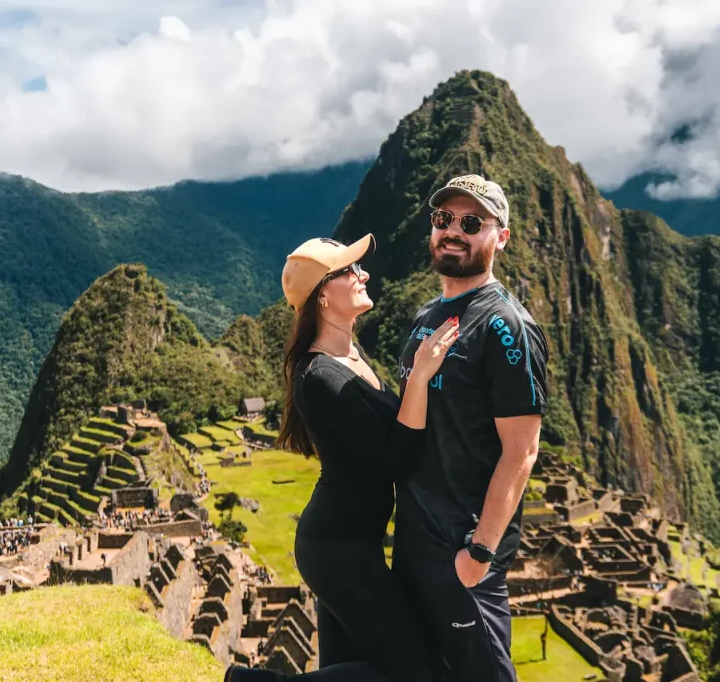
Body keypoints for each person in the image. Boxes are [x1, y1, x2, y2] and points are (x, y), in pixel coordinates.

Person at [225, 235, 458, 682]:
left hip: (355, 542)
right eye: (349, 270)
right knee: (416, 672)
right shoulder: (319, 378)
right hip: (337, 547)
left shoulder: (351, 357)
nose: (363, 274)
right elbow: (396, 458)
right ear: (323, 296)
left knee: (341, 669)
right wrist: (421, 377)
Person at [394, 174, 549, 682]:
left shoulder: (506, 326)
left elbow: (522, 451)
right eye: (443, 220)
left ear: (499, 236)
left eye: (471, 222)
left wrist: (478, 554)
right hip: (415, 540)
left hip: (462, 553)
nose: (453, 231)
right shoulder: (426, 316)